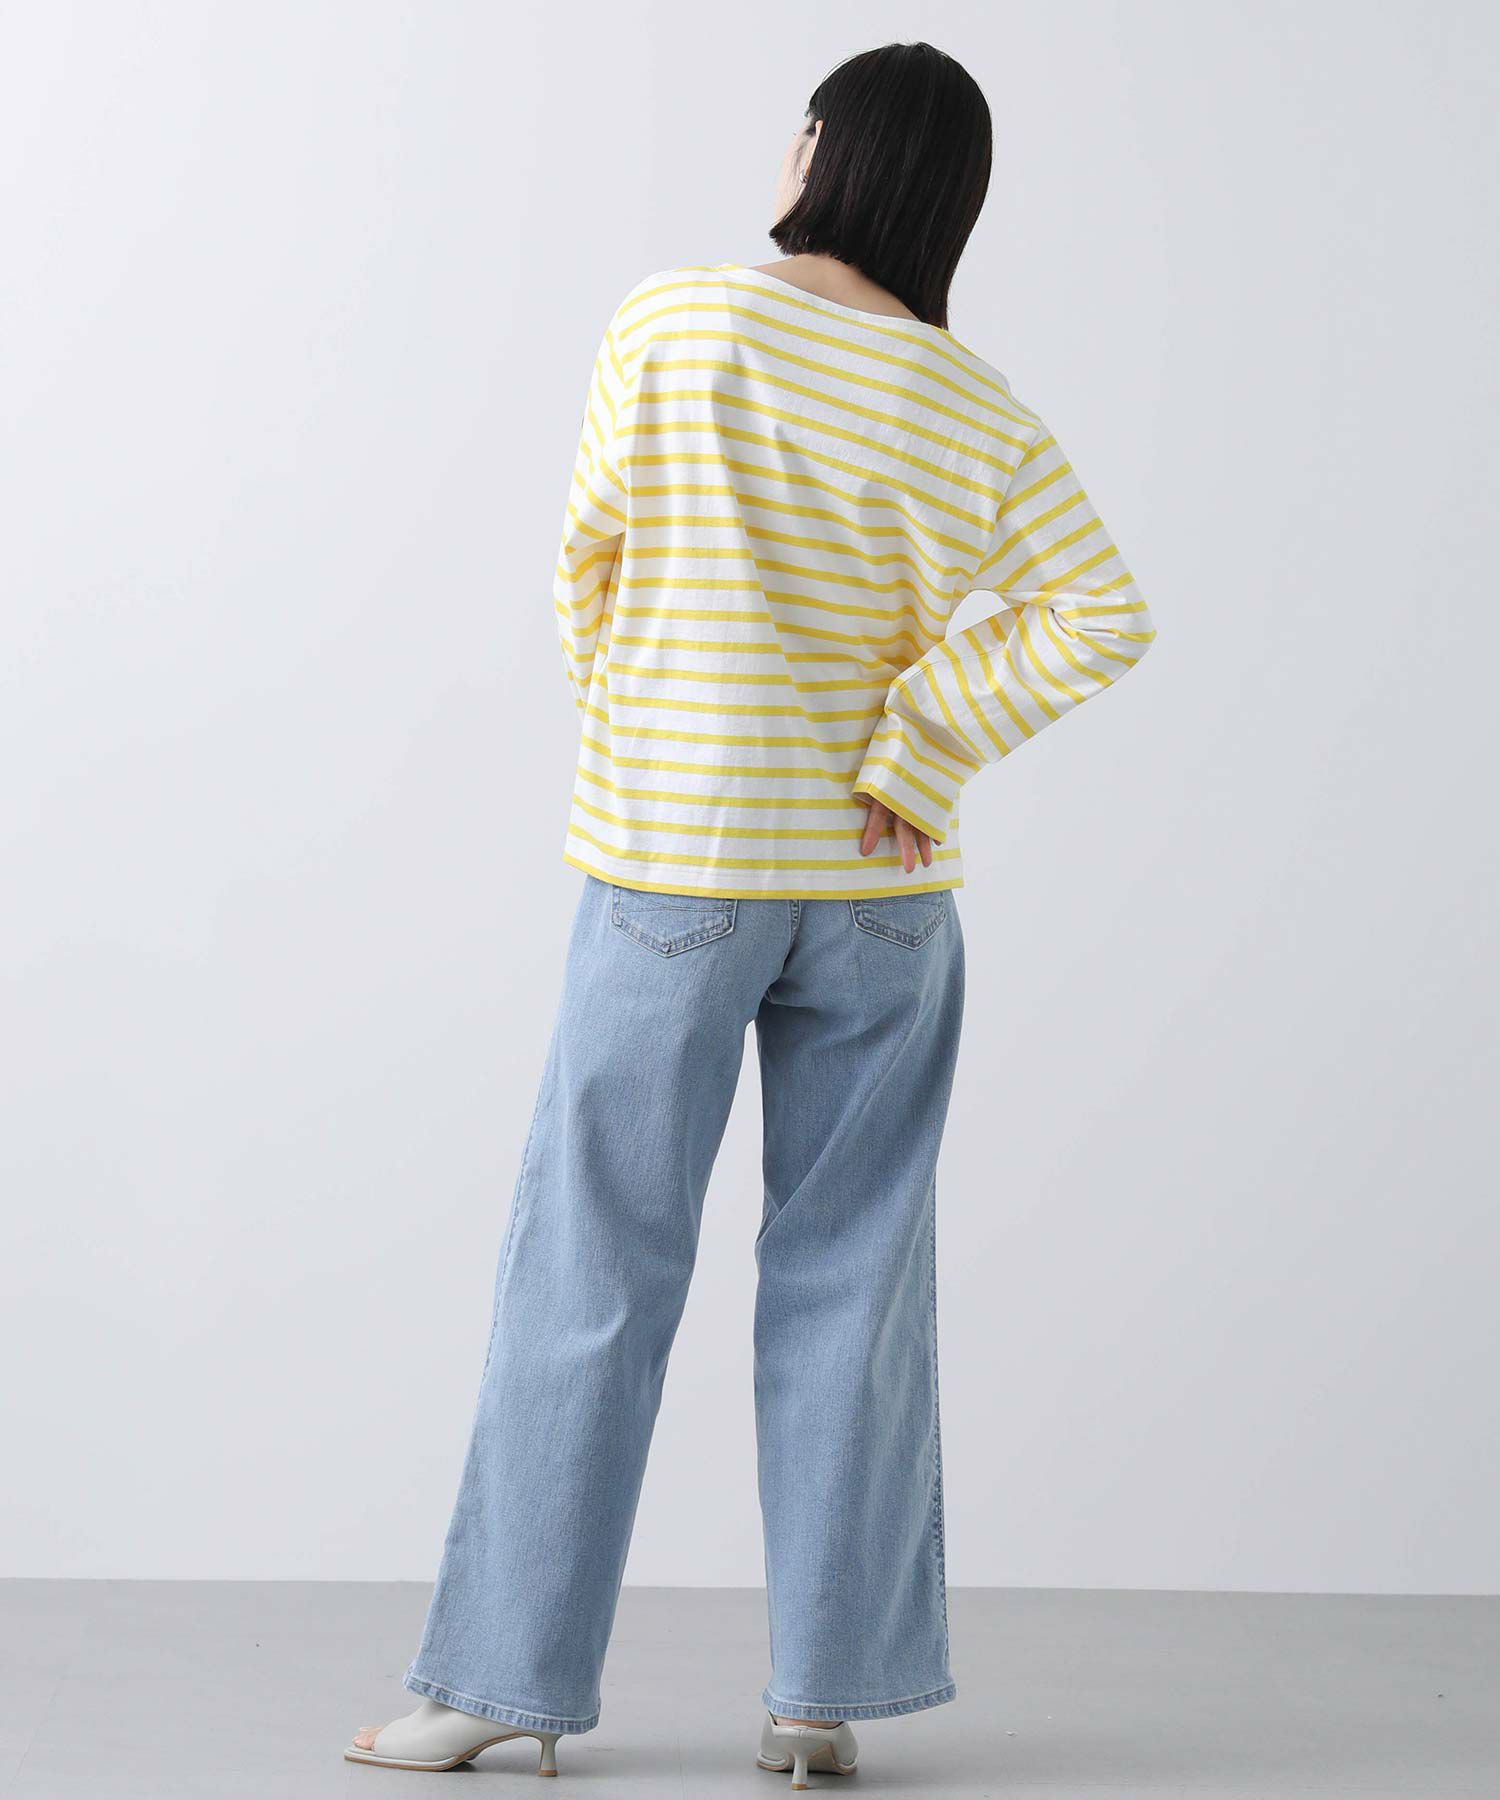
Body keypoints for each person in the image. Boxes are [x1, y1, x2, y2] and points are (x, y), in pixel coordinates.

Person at [346, 38, 1156, 1783]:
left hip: (679, 863)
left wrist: (659, 734)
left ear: (817, 153)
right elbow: (1100, 612)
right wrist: (920, 745)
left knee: (595, 1259)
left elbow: (589, 563)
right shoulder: (974, 403)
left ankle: (497, 1686)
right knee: (855, 1279)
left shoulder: (679, 319)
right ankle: (819, 1705)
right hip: (885, 896)